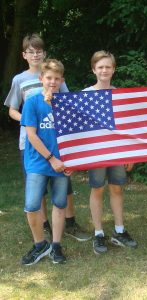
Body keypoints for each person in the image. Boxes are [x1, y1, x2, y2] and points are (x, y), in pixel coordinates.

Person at [3, 33, 90, 242]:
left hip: (58, 141)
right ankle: (44, 226)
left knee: (64, 184)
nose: (35, 55)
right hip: (31, 141)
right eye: (31, 52)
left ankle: (69, 223)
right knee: (37, 187)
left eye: (39, 51)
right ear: (24, 55)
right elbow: (12, 110)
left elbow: (68, 105)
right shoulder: (19, 80)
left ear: (44, 53)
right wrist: (30, 120)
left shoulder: (56, 76)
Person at [84, 50, 137, 255]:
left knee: (117, 189)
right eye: (100, 67)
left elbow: (128, 127)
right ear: (94, 70)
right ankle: (98, 233)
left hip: (118, 152)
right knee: (97, 189)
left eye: (108, 67)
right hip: (96, 152)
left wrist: (131, 154)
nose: (104, 70)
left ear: (113, 69)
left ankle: (119, 230)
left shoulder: (121, 95)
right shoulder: (86, 94)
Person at [20, 59, 72, 265]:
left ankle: (56, 246)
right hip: (38, 162)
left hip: (62, 162)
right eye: (49, 78)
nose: (52, 82)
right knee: (32, 205)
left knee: (59, 203)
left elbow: (74, 135)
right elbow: (31, 135)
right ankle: (40, 244)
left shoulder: (67, 104)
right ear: (41, 78)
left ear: (62, 80)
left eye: (56, 78)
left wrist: (71, 162)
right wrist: (51, 159)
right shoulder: (32, 102)